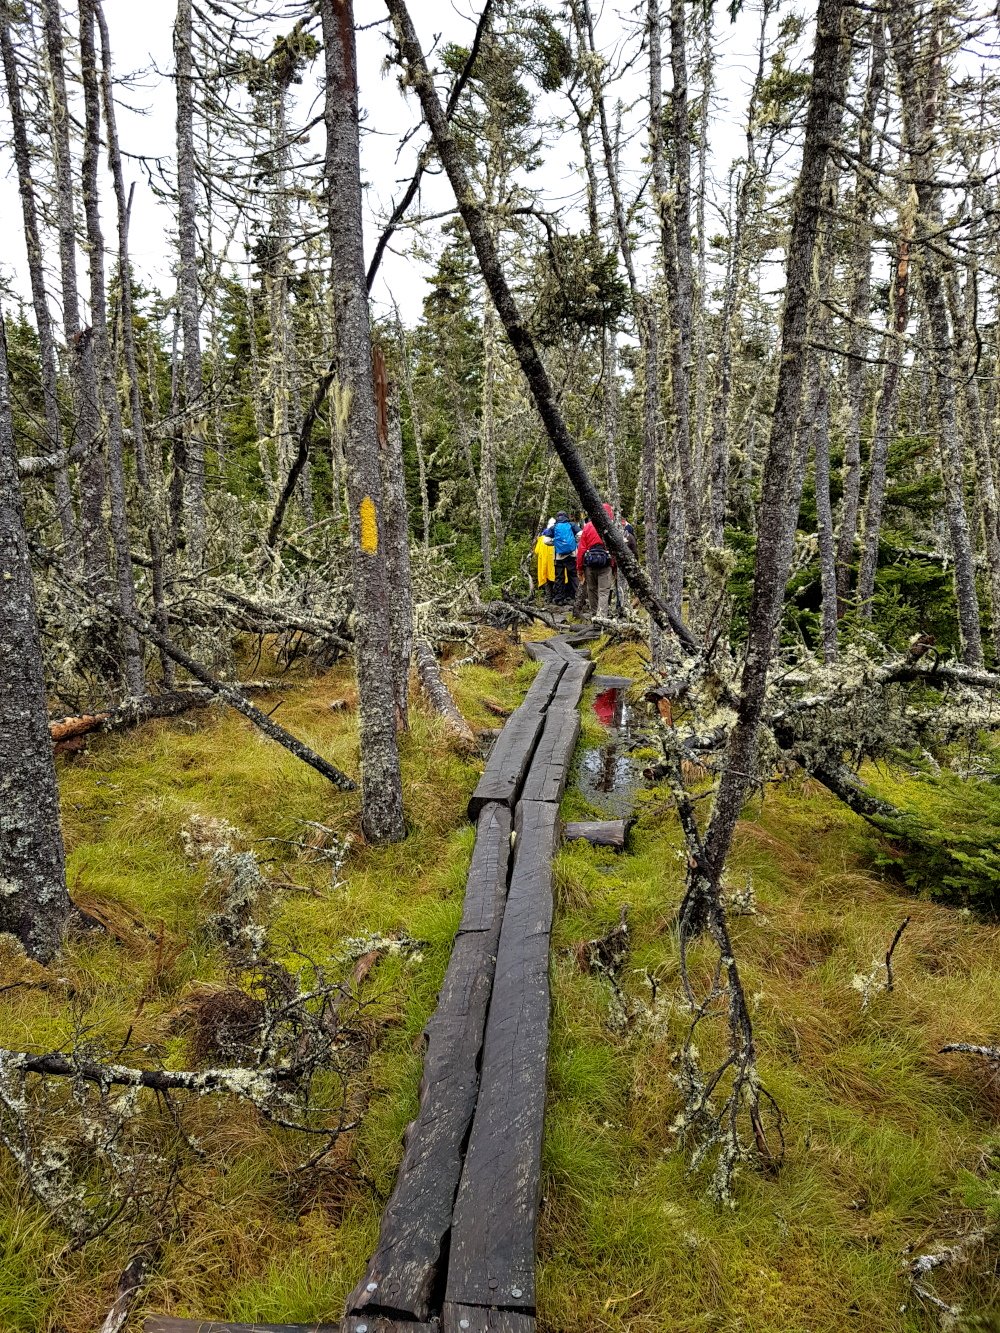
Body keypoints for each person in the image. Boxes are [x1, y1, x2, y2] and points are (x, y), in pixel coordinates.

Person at [576, 502, 616, 619]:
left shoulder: (588, 526)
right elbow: (614, 549)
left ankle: (594, 615)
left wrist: (579, 568)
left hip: (590, 565)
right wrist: (614, 566)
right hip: (605, 565)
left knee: (592, 590)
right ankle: (602, 617)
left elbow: (581, 549)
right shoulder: (610, 527)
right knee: (604, 592)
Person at [552, 510, 578, 605]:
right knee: (573, 576)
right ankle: (577, 597)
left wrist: (556, 543)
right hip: (571, 555)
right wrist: (574, 542)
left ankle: (560, 599)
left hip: (559, 557)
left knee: (559, 578)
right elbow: (580, 534)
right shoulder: (572, 525)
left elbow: (545, 540)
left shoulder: (554, 527)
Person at [533, 519, 555, 602]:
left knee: (546, 579)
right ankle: (555, 597)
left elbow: (536, 551)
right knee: (555, 579)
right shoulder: (556, 537)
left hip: (544, 564)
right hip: (554, 564)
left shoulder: (541, 539)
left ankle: (549, 597)